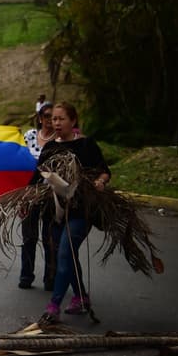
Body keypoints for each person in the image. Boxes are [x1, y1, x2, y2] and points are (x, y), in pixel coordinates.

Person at [36, 102, 111, 323]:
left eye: (61, 119)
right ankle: (81, 297)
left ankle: (53, 306)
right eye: (54, 119)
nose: (56, 123)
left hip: (81, 210)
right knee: (68, 255)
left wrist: (99, 181)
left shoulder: (86, 145)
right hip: (56, 211)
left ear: (73, 121)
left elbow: (105, 171)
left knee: (64, 254)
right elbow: (38, 176)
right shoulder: (49, 148)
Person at [19, 102, 56, 290]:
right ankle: (26, 275)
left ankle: (50, 278)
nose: (50, 120)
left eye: (54, 116)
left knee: (49, 238)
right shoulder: (29, 136)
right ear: (40, 118)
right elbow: (19, 164)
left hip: (52, 196)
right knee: (28, 237)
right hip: (29, 194)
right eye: (47, 116)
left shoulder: (59, 141)